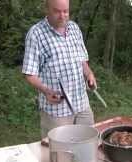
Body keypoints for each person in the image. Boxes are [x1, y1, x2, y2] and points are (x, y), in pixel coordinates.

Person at [22, 0, 97, 141]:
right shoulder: (36, 34)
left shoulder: (74, 28)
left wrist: (89, 74)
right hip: (57, 110)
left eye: (66, 11)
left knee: (89, 143)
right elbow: (30, 73)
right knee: (59, 153)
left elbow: (82, 60)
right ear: (47, 9)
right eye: (57, 11)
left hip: (82, 104)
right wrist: (46, 91)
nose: (62, 16)